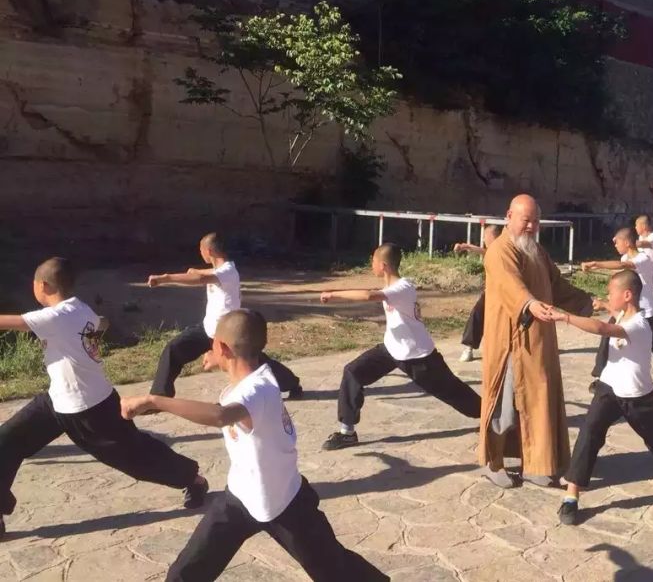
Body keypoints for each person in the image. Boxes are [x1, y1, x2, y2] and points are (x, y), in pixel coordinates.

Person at [121, 310, 387, 582]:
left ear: (223, 347)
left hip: (283, 502)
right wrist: (221, 359)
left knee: (336, 571)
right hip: (239, 498)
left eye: (212, 343)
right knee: (186, 573)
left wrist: (154, 401)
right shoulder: (253, 379)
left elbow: (220, 416)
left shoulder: (257, 389)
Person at [0, 258, 207, 539]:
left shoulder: (54, 317)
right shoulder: (79, 308)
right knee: (7, 441)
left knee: (135, 457)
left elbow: (7, 322)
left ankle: (192, 479)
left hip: (92, 407)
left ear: (43, 285)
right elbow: (102, 323)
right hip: (56, 400)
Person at [535, 270, 653, 526]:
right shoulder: (624, 313)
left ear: (627, 295)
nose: (607, 296)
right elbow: (610, 313)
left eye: (611, 293)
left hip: (638, 396)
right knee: (589, 434)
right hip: (609, 389)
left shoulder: (638, 325)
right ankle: (571, 497)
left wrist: (565, 317)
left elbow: (602, 327)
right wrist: (601, 304)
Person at [478, 194, 594, 490]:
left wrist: (588, 301)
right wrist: (529, 304)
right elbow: (509, 285)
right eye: (525, 219)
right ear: (509, 216)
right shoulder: (499, 250)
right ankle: (492, 462)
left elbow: (556, 285)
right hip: (510, 343)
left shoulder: (537, 251)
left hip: (539, 342)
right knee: (503, 407)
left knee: (539, 403)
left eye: (535, 221)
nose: (530, 226)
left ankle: (536, 464)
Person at [318, 243, 481, 450]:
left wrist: (333, 294)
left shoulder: (403, 287)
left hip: (418, 356)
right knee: (353, 372)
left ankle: (493, 417)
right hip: (391, 349)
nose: (372, 264)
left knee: (454, 392)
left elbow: (369, 296)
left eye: (374, 261)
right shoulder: (392, 288)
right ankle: (347, 432)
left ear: (383, 265)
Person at [147, 233, 302, 399]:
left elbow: (200, 278)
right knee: (173, 350)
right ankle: (160, 396)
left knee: (257, 364)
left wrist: (165, 278)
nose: (200, 253)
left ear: (209, 251)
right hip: (208, 329)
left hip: (228, 333)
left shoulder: (227, 271)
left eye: (201, 249)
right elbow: (202, 273)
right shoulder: (221, 270)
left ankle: (292, 383)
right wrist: (193, 271)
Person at [582, 228, 653, 382]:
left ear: (627, 243)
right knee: (607, 340)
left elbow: (626, 266)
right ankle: (600, 377)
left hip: (647, 312)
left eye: (617, 242)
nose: (615, 245)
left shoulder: (643, 258)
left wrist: (595, 264)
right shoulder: (625, 257)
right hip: (626, 312)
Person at [454, 224, 500, 362]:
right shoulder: (492, 250)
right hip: (490, 293)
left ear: (492, 237)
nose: (484, 239)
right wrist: (465, 246)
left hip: (506, 294)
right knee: (477, 314)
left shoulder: (504, 251)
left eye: (485, 236)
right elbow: (483, 251)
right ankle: (469, 347)